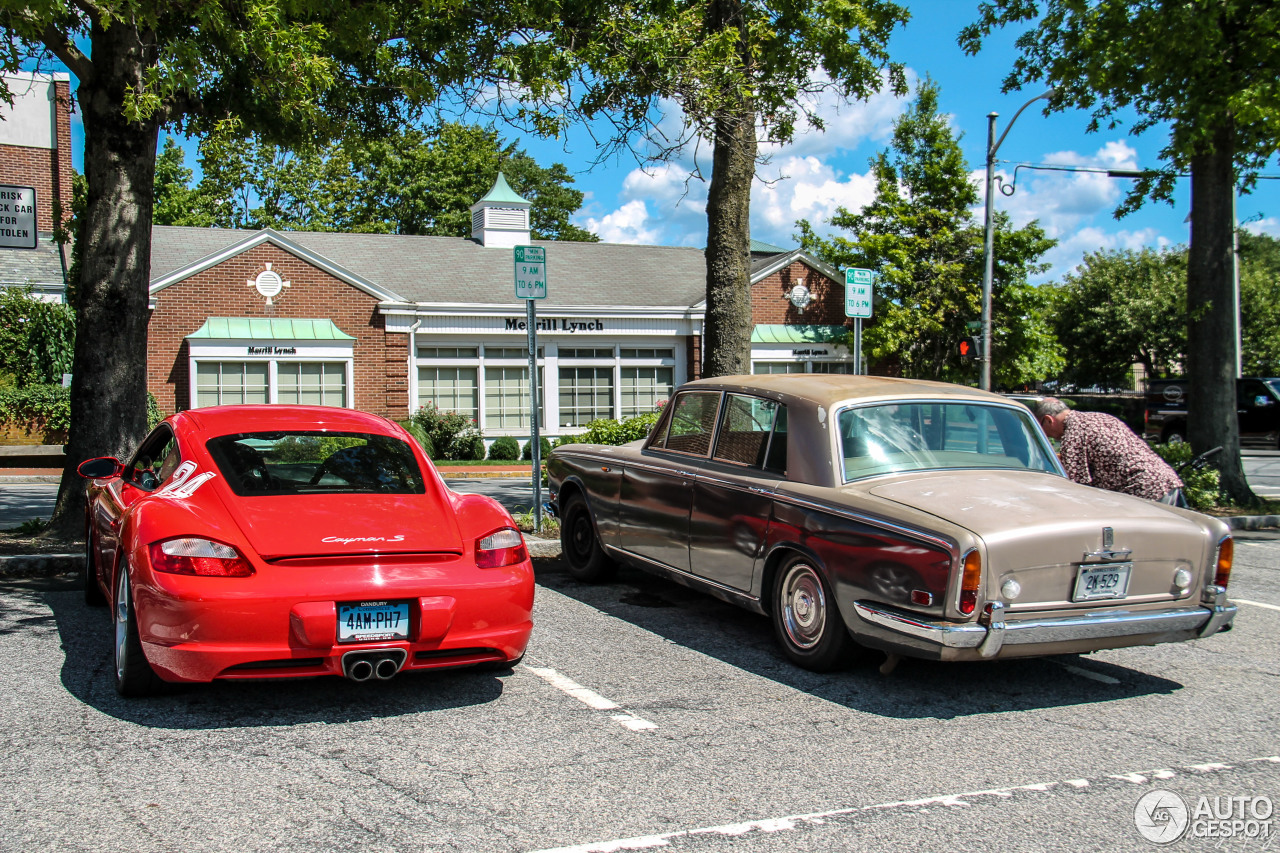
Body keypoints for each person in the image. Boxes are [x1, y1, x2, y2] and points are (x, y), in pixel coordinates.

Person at [1033, 397, 1187, 506]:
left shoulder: (1072, 435)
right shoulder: (1101, 417)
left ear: (1048, 420)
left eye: (1041, 428)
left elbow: (1077, 486)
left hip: (1143, 493)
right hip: (1166, 480)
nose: (1045, 435)